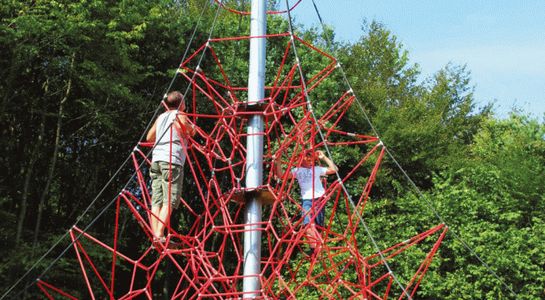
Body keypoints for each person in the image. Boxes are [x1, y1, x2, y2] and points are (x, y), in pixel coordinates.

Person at [146, 91, 195, 243]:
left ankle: (156, 236)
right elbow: (188, 131)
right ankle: (160, 234)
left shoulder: (161, 117)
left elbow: (149, 137)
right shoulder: (180, 115)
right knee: (170, 200)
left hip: (157, 160)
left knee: (157, 200)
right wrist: (191, 127)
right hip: (171, 161)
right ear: (181, 103)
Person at [275, 149, 338, 255]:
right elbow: (281, 176)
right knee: (308, 225)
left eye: (312, 158)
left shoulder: (317, 169)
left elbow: (334, 169)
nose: (310, 160)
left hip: (319, 199)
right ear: (302, 159)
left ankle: (317, 248)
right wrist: (278, 160)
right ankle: (314, 249)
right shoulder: (297, 171)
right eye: (307, 158)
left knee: (317, 227)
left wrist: (324, 158)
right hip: (307, 200)